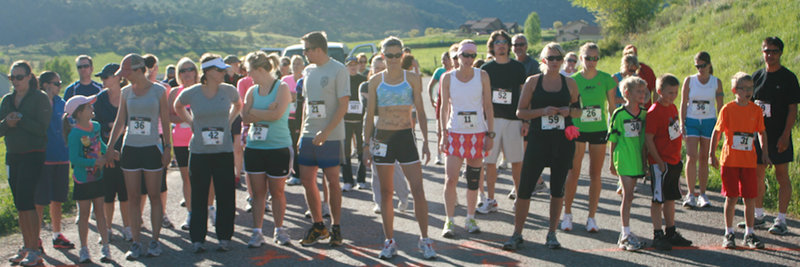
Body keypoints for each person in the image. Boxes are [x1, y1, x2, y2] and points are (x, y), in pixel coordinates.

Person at [362, 36, 436, 260]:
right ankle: (389, 241)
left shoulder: (412, 78)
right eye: (389, 56)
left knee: (418, 190)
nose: (393, 59)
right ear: (383, 56)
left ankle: (425, 239)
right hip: (383, 137)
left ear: (402, 55)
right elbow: (369, 116)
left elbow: (421, 112)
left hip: (405, 136)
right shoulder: (374, 81)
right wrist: (366, 145)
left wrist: (426, 141)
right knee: (386, 192)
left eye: (397, 55)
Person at [503, 42, 579, 250]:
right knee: (525, 188)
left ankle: (552, 234)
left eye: (558, 58)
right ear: (543, 60)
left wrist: (568, 111)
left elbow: (578, 111)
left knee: (557, 189)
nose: (554, 62)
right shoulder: (533, 82)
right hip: (538, 140)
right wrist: (542, 111)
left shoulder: (570, 83)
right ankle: (517, 233)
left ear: (562, 61)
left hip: (562, 142)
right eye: (550, 58)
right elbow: (520, 112)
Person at [105, 53, 171, 260]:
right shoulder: (125, 92)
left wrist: (168, 148)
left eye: (126, 72)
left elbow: (166, 121)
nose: (123, 77)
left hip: (152, 147)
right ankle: (135, 242)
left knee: (154, 196)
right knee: (132, 197)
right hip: (130, 148)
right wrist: (109, 146)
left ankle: (155, 241)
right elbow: (120, 121)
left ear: (137, 69)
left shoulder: (159, 91)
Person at [174, 53, 242, 253]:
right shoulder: (193, 92)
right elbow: (177, 105)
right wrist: (190, 122)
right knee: (199, 195)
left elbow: (239, 105)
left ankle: (224, 237)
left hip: (223, 150)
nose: (224, 73)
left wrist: (228, 122)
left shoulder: (228, 90)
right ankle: (198, 239)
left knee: (225, 194)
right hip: (199, 151)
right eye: (220, 70)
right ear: (209, 72)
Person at [296, 31, 350, 247]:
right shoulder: (307, 71)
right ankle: (319, 225)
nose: (305, 53)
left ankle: (336, 227)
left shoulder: (338, 69)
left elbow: (343, 105)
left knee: (333, 181)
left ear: (318, 49)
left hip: (332, 135)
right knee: (307, 179)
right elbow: (306, 107)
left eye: (307, 49)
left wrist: (326, 132)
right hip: (309, 133)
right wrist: (301, 134)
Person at [439, 39, 494, 238]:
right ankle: (449, 220)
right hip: (455, 133)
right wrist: (442, 134)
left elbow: (488, 106)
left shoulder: (483, 76)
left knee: (473, 179)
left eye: (472, 55)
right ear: (458, 56)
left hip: (477, 133)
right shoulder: (447, 78)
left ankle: (470, 218)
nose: (469, 59)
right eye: (465, 55)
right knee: (451, 178)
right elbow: (444, 108)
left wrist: (490, 133)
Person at [709, 72, 769, 249]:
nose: (749, 91)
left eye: (751, 88)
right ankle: (729, 232)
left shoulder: (756, 110)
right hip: (730, 161)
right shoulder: (727, 109)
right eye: (745, 88)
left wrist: (765, 152)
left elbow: (761, 132)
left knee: (750, 197)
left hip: (749, 161)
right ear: (735, 90)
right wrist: (712, 154)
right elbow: (717, 131)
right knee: (732, 197)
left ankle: (749, 233)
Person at [561, 43, 616, 233]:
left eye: (595, 58)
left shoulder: (606, 79)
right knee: (574, 172)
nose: (591, 62)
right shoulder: (572, 80)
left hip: (599, 130)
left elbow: (611, 107)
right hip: (578, 130)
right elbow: (568, 106)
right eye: (588, 58)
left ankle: (591, 218)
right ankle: (567, 214)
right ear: (580, 58)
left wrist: (613, 130)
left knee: (595, 174)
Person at [241, 51, 293, 247]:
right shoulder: (251, 91)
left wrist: (256, 112)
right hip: (255, 147)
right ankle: (257, 232)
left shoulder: (282, 88)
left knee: (277, 191)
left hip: (278, 147)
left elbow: (277, 115)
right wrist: (265, 111)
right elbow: (245, 117)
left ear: (260, 70)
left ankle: (279, 230)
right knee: (257, 193)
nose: (248, 75)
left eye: (250, 71)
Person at [749, 36, 799, 235]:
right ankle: (759, 216)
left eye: (774, 51)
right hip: (759, 135)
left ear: (781, 53)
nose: (770, 55)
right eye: (766, 51)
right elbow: (750, 106)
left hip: (780, 135)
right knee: (757, 174)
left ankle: (781, 219)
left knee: (782, 175)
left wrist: (786, 134)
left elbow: (793, 109)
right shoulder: (756, 77)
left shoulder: (788, 78)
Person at [3, 60, 51, 266]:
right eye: (12, 77)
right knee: (19, 202)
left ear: (30, 77)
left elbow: (42, 129)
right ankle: (27, 246)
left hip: (33, 154)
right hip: (13, 155)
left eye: (19, 77)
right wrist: (7, 123)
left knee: (26, 199)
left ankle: (34, 249)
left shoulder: (39, 98)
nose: (15, 81)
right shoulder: (7, 99)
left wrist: (20, 120)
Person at [477, 30, 527, 214]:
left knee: (516, 161)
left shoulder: (518, 67)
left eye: (504, 41)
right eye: (497, 41)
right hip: (492, 120)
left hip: (514, 120)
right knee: (489, 161)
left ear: (508, 46)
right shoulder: (486, 69)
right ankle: (490, 199)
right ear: (492, 46)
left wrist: (525, 120)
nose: (501, 44)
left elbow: (524, 95)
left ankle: (520, 199)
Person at [644, 74, 693, 250]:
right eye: (670, 92)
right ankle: (657, 234)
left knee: (671, 197)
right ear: (659, 91)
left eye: (675, 92)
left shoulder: (672, 108)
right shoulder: (654, 112)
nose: (673, 96)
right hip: (660, 163)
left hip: (673, 160)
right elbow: (649, 139)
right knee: (658, 199)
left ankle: (671, 231)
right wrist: (658, 161)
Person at [63, 94, 111, 263]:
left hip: (98, 177)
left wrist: (109, 152)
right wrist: (94, 161)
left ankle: (105, 247)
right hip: (83, 180)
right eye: (88, 106)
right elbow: (74, 159)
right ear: (79, 113)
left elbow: (100, 144)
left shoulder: (96, 126)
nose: (92, 108)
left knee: (100, 213)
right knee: (84, 214)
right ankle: (84, 249)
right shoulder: (74, 134)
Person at [363, 55, 412, 214]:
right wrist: (366, 139)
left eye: (380, 67)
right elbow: (369, 109)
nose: (377, 70)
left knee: (394, 167)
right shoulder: (366, 86)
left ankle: (403, 196)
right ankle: (378, 201)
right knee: (377, 167)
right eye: (374, 67)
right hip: (375, 127)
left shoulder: (393, 84)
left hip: (393, 128)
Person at [34, 71, 75, 250]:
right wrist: (47, 100)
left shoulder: (62, 103)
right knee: (40, 200)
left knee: (57, 199)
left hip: (62, 157)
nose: (59, 86)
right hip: (44, 157)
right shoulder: (37, 103)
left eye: (59, 83)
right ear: (45, 85)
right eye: (56, 83)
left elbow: (69, 126)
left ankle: (57, 235)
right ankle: (34, 237)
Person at [93, 63, 134, 241]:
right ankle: (108, 229)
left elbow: (133, 121)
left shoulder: (129, 95)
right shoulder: (100, 99)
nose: (102, 80)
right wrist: (111, 127)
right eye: (101, 77)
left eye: (105, 77)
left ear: (118, 77)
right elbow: (96, 125)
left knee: (125, 193)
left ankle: (127, 227)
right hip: (106, 150)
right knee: (108, 193)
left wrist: (118, 128)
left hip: (127, 149)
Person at [608, 76, 648, 251]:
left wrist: (646, 161)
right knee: (628, 195)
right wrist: (611, 163)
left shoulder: (645, 114)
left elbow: (647, 140)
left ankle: (627, 233)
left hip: (638, 158)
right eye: (638, 91)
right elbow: (613, 139)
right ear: (627, 93)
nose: (642, 94)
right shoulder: (619, 114)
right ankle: (625, 233)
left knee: (631, 195)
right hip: (623, 158)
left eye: (643, 91)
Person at [680, 51, 723, 208]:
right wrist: (682, 123)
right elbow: (683, 103)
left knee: (705, 157)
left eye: (703, 66)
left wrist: (721, 126)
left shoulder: (716, 82)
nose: (700, 69)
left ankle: (703, 194)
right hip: (691, 121)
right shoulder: (689, 81)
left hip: (709, 121)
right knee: (692, 156)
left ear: (709, 65)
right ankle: (690, 194)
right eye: (697, 66)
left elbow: (720, 106)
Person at [142, 54, 174, 230]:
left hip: (159, 136)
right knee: (140, 180)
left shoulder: (164, 88)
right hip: (142, 137)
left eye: (151, 66)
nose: (150, 69)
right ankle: (138, 217)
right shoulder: (135, 88)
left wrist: (168, 144)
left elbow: (167, 115)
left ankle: (162, 214)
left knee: (161, 179)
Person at [168, 57, 200, 230]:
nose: (187, 74)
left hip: (201, 140)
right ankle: (190, 213)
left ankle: (208, 209)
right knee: (186, 178)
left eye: (189, 69)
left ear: (196, 72)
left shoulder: (202, 90)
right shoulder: (174, 92)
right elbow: (168, 115)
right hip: (180, 140)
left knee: (204, 178)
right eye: (182, 71)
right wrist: (187, 118)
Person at [341, 56, 368, 191]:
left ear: (358, 66)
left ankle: (361, 179)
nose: (352, 67)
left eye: (355, 64)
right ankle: (347, 180)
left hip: (360, 121)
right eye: (350, 65)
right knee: (345, 151)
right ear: (346, 67)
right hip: (345, 121)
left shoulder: (363, 80)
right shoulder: (342, 81)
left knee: (361, 151)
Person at [282, 55, 305, 185]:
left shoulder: (305, 79)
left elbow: (300, 97)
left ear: (303, 66)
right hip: (287, 117)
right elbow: (283, 95)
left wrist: (293, 96)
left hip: (300, 117)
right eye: (294, 64)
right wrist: (294, 96)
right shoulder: (285, 79)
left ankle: (297, 174)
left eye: (298, 63)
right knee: (286, 145)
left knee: (297, 146)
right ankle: (286, 172)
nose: (296, 66)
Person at [427, 51, 453, 165]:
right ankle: (438, 155)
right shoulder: (439, 71)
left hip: (453, 101)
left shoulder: (454, 71)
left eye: (445, 59)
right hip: (441, 100)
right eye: (442, 59)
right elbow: (431, 85)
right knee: (440, 129)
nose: (443, 61)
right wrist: (431, 98)